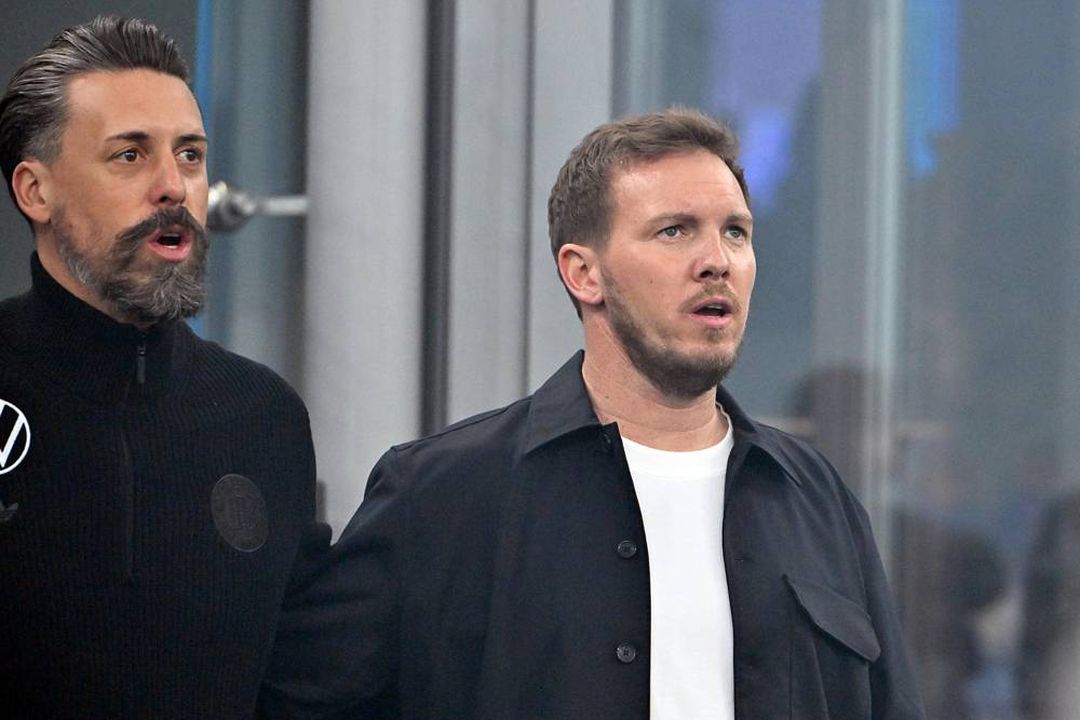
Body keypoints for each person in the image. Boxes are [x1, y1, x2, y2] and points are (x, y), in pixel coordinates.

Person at [260, 108, 925, 719]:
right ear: (584, 273)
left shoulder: (816, 498)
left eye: (735, 232)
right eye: (674, 231)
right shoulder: (443, 494)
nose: (717, 262)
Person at [0, 16, 322, 719]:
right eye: (129, 155)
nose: (173, 187)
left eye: (191, 155)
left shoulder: (263, 415)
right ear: (35, 191)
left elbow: (304, 681)